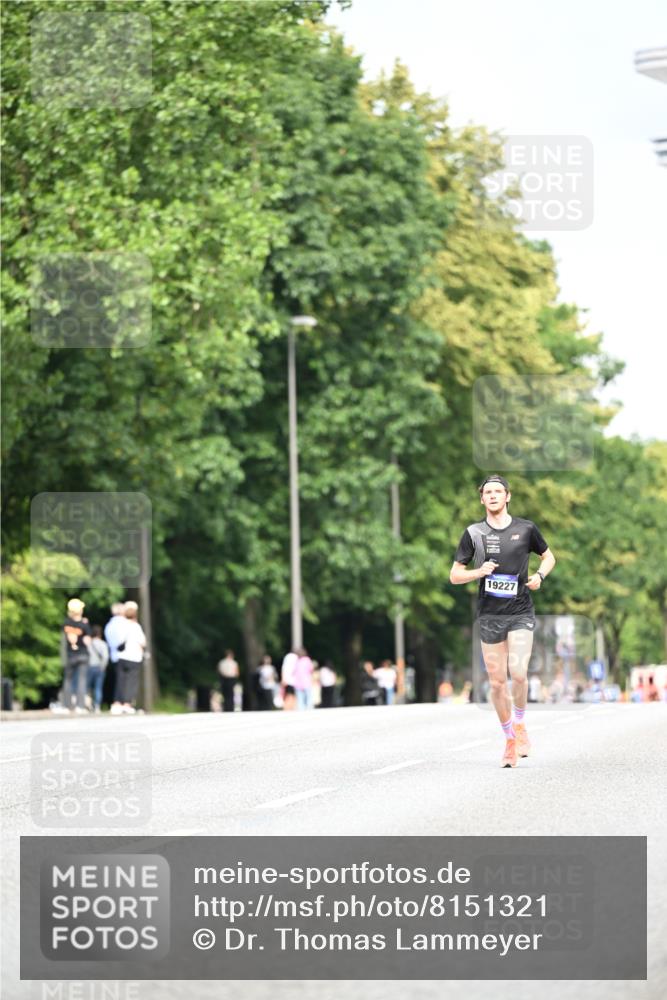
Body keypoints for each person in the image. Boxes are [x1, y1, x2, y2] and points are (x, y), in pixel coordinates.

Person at [450, 474, 556, 768]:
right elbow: (454, 574)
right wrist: (478, 572)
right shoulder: (474, 533)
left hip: (520, 611)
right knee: (497, 684)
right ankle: (509, 739)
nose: (493, 495)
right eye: (488, 492)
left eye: (498, 491)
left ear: (508, 496)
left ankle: (520, 724)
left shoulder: (526, 529)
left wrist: (539, 576)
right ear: (482, 498)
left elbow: (549, 557)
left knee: (518, 673)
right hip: (490, 615)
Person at [111, 601, 146, 715]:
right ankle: (127, 703)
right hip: (134, 657)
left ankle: (117, 703)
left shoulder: (120, 626)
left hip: (121, 656)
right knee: (131, 681)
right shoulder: (136, 626)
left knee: (120, 680)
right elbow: (143, 642)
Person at [62, 598, 92, 712]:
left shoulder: (66, 623)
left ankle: (66, 706)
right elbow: (88, 641)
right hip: (83, 654)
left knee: (68, 680)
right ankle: (80, 706)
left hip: (70, 655)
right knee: (82, 680)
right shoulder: (84, 624)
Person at [104, 603, 128, 707]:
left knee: (119, 679)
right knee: (125, 680)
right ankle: (121, 702)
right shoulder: (123, 622)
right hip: (125, 654)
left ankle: (118, 701)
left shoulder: (109, 625)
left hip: (114, 654)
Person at [87, 625, 109, 713]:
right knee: (98, 688)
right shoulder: (103, 644)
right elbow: (105, 657)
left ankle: (88, 705)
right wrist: (103, 667)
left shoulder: (89, 644)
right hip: (99, 668)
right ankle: (97, 706)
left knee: (88, 688)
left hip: (89, 667)